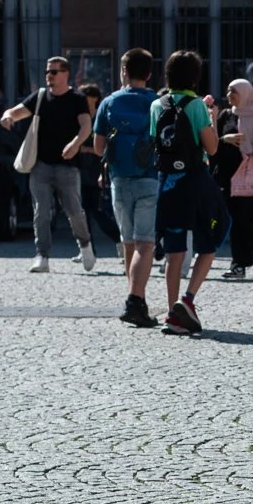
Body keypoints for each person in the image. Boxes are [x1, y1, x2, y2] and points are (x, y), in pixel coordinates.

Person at [0, 54, 96, 274]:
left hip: (68, 166)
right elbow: (16, 111)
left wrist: (75, 144)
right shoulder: (40, 97)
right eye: (46, 72)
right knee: (41, 212)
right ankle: (42, 256)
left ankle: (85, 245)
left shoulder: (77, 98)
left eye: (53, 72)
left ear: (66, 74)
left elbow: (86, 126)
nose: (48, 76)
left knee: (74, 211)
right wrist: (8, 116)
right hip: (40, 165)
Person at [150, 50, 224, 335]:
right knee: (212, 237)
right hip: (195, 181)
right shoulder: (195, 105)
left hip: (167, 182)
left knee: (175, 249)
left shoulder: (156, 104)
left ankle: (172, 313)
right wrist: (211, 117)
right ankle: (188, 299)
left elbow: (154, 143)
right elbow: (212, 148)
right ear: (195, 76)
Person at [92, 48, 161, 327]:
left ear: (123, 71)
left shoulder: (109, 102)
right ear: (149, 74)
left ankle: (135, 298)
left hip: (119, 179)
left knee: (129, 242)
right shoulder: (157, 103)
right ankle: (135, 300)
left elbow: (98, 148)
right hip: (149, 177)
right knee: (146, 242)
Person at [219, 79, 253, 279]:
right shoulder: (226, 115)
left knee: (244, 219)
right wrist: (226, 139)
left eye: (234, 91)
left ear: (246, 93)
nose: (229, 95)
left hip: (250, 173)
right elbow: (214, 142)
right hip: (228, 175)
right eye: (228, 91)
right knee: (236, 220)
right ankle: (241, 263)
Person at [73, 82, 121, 263]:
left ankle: (118, 239)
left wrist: (85, 149)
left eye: (90, 102)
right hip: (79, 170)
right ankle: (87, 249)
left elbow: (105, 147)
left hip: (96, 171)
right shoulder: (78, 119)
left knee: (96, 211)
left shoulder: (101, 120)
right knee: (82, 211)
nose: (87, 105)